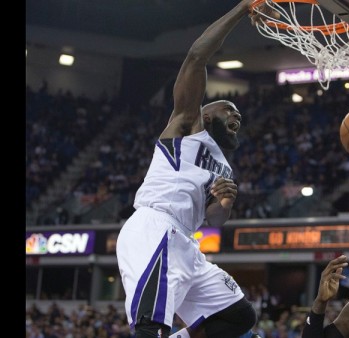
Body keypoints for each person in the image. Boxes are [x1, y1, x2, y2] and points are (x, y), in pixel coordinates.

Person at [116, 1, 266, 337]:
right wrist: (242, 8)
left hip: (187, 240)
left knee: (239, 316)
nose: (237, 117)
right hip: (156, 228)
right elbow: (197, 55)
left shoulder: (223, 166)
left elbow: (213, 219)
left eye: (239, 117)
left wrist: (224, 205)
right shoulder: (185, 126)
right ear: (207, 115)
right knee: (150, 326)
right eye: (230, 110)